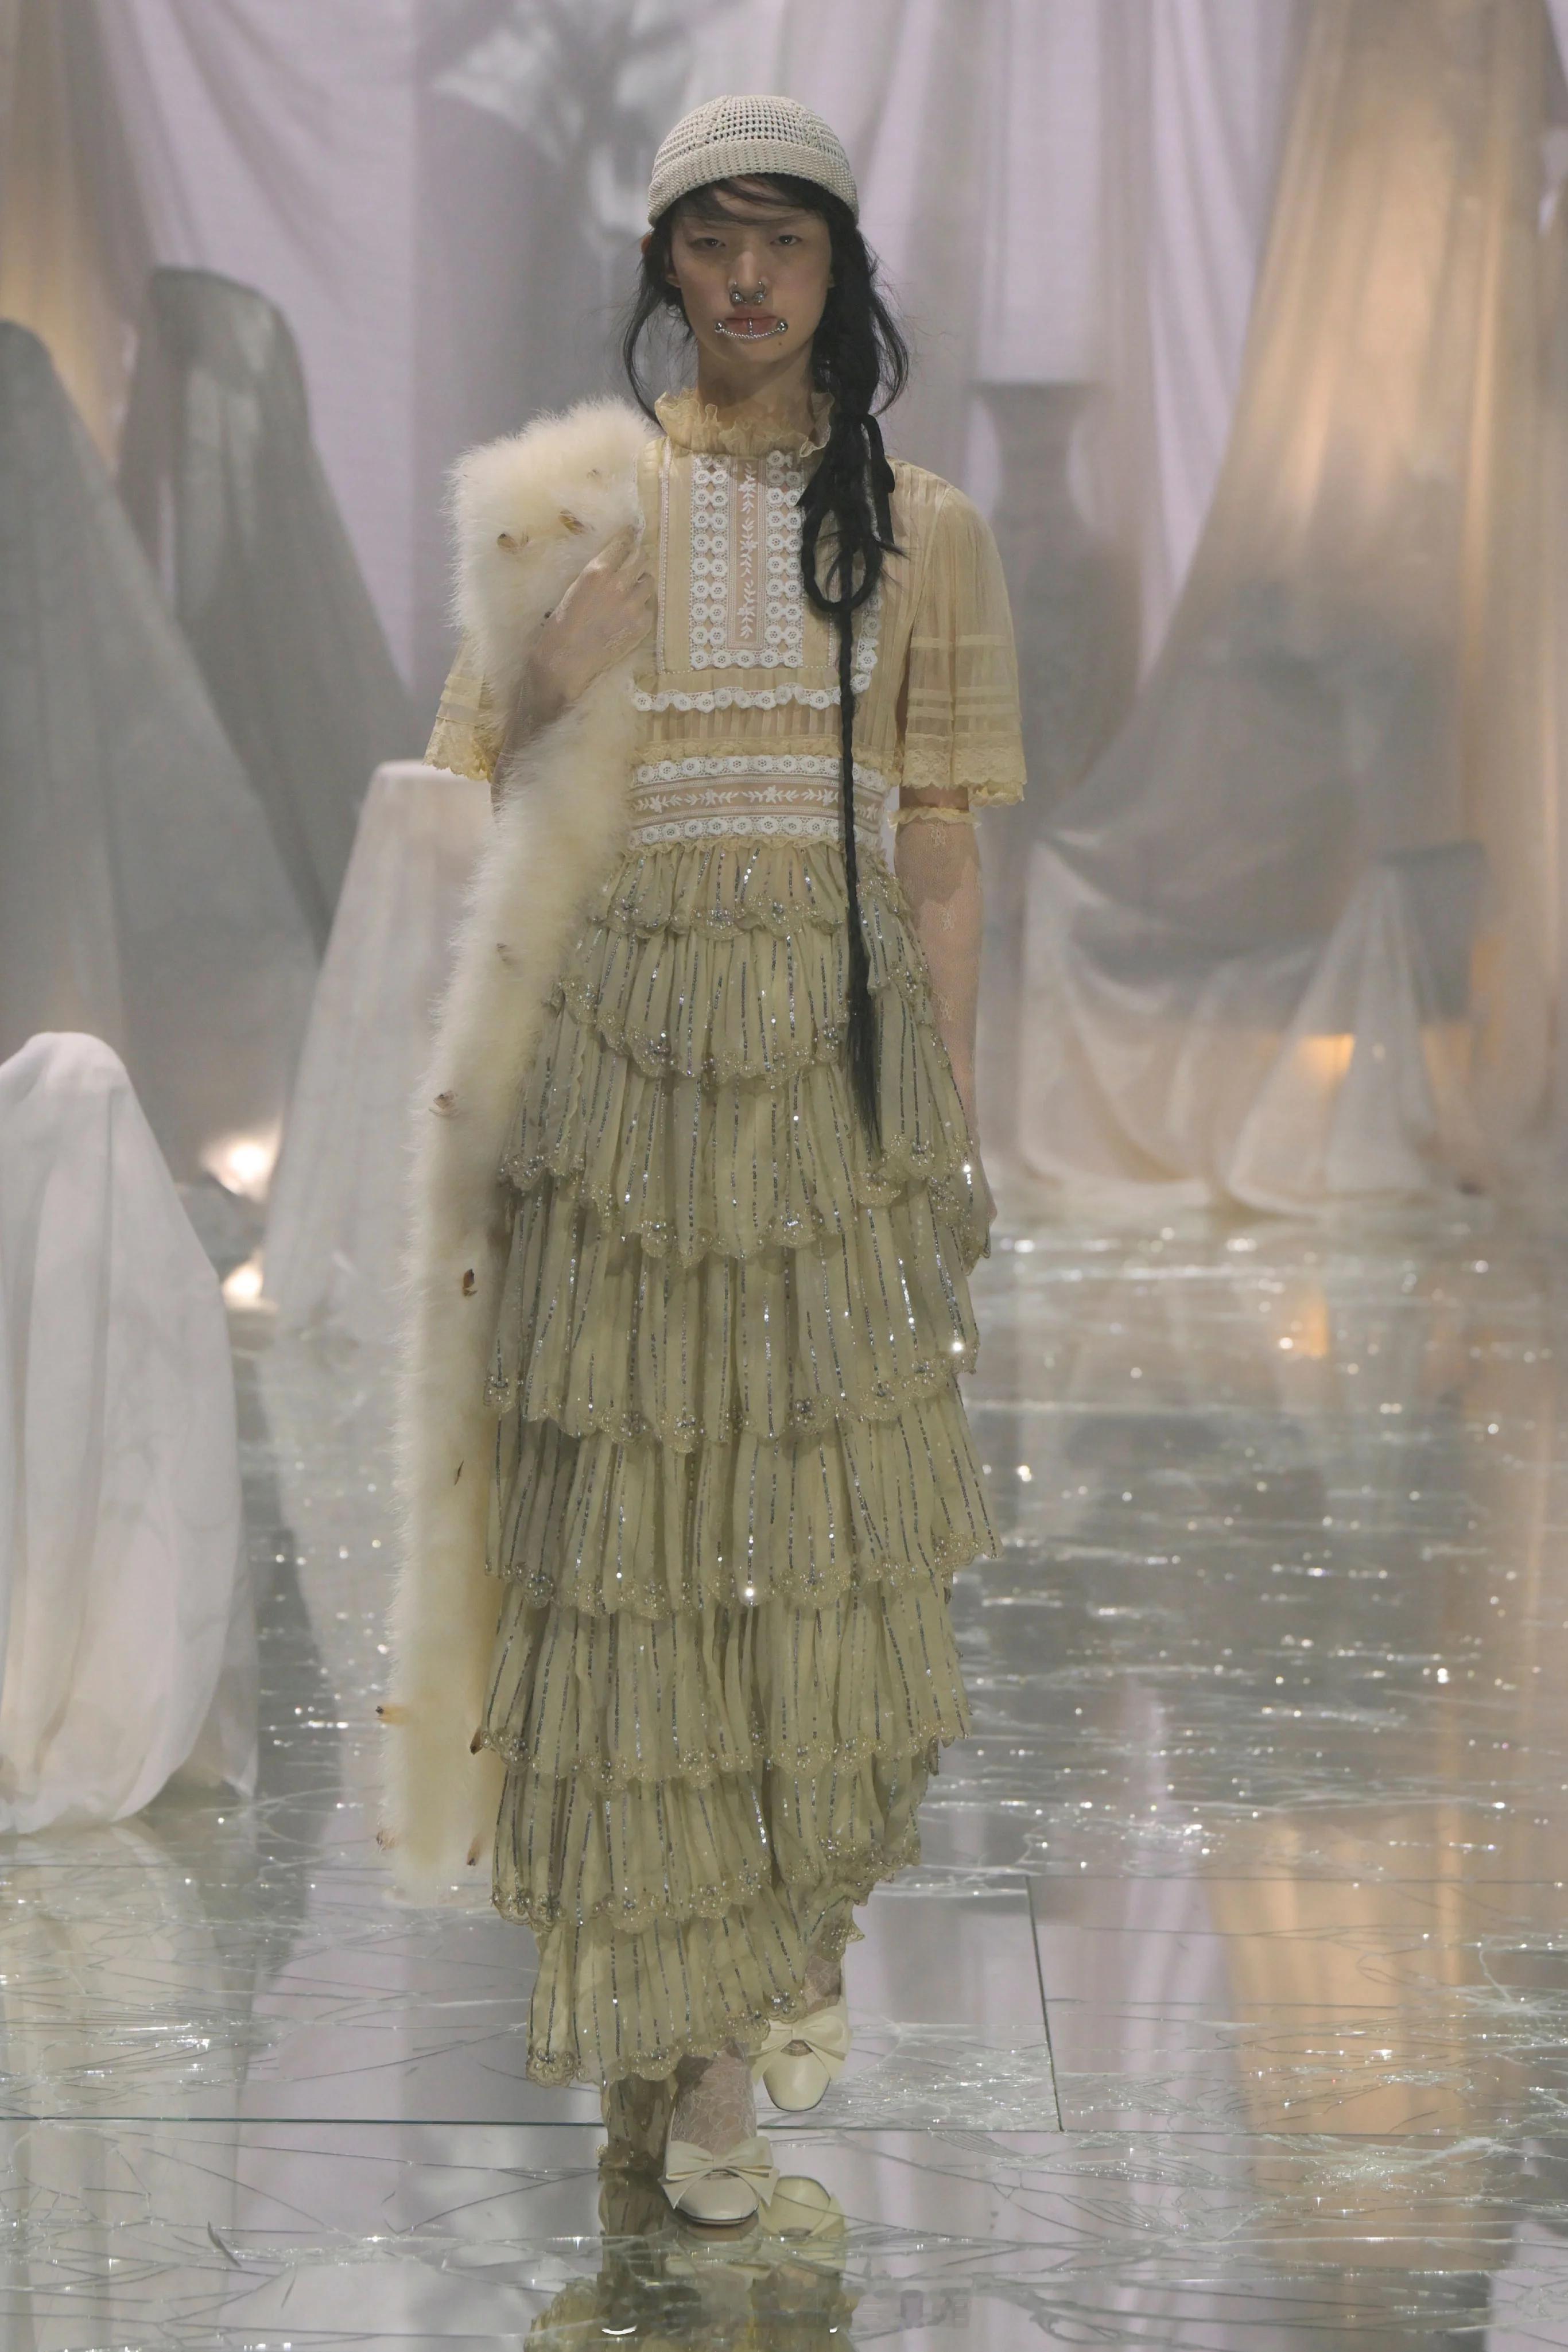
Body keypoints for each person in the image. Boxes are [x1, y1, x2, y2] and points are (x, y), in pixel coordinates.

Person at [398, 94, 1024, 2225]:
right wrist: (547, 681)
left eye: (784, 240)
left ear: (840, 265)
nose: (746, 279)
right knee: (636, 1542)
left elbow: (939, 847)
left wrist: (946, 1111)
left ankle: (761, 1968)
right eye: (708, 240)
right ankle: (680, 2028)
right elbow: (454, 817)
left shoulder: (924, 527)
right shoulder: (572, 508)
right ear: (662, 264)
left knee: (809, 1527)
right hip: (621, 1070)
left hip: (825, 1062)